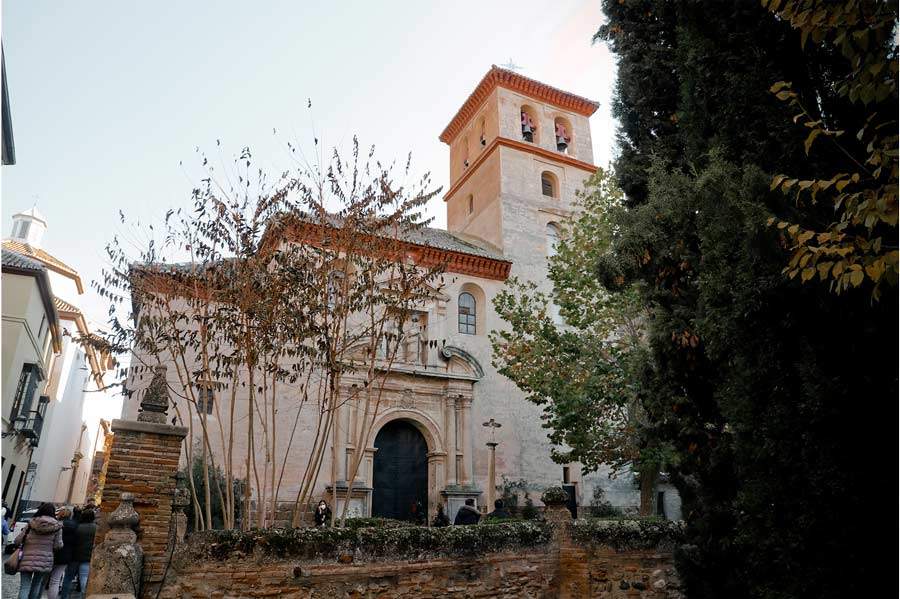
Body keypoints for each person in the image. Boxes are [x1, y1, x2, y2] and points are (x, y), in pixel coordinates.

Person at [13, 502, 62, 599]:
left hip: (27, 558)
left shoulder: (31, 523)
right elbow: (58, 545)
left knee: (24, 587)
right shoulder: (57, 527)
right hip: (45, 560)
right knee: (36, 585)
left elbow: (18, 540)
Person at [61, 507, 97, 599]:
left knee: (68, 578)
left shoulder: (77, 527)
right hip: (87, 557)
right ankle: (83, 596)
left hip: (74, 556)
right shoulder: (96, 528)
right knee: (84, 579)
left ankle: (64, 596)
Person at [48, 507, 78, 599]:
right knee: (55, 580)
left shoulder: (55, 524)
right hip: (66, 555)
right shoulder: (75, 526)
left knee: (44, 580)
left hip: (51, 553)